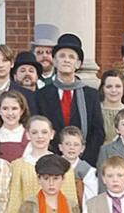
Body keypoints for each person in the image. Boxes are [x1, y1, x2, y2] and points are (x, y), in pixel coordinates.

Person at [4, 116, 79, 213]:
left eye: (44, 132)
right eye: (34, 132)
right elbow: (15, 199)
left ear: (52, 134)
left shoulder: (63, 165)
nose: (40, 136)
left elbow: (70, 199)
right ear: (27, 135)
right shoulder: (18, 165)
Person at [35, 33, 105, 165]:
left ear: (78, 64)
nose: (66, 60)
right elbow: (39, 128)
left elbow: (98, 132)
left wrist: (83, 160)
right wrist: (54, 157)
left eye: (71, 57)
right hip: (51, 161)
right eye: (62, 56)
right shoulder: (41, 95)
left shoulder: (91, 95)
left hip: (83, 162)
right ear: (54, 61)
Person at [58, 126, 97, 208]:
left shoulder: (87, 170)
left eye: (76, 144)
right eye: (67, 144)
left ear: (82, 148)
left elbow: (91, 195)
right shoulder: (54, 166)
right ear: (60, 147)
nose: (71, 148)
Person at [0, 90, 31, 163]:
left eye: (14, 108)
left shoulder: (30, 136)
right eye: (5, 108)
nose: (10, 113)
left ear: (22, 111)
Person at [99, 70, 124, 144]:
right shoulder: (94, 111)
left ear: (123, 89)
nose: (113, 90)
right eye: (109, 87)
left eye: (118, 86)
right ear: (102, 89)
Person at [31, 23, 59, 87]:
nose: (44, 56)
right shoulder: (28, 81)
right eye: (39, 52)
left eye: (48, 52)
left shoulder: (62, 80)